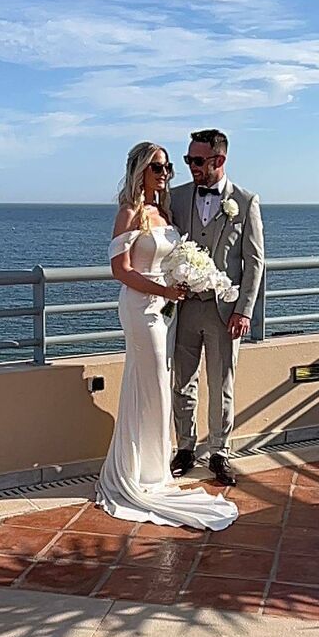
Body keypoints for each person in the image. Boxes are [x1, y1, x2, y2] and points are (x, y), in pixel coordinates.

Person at [95, 142, 237, 530]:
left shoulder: (164, 211)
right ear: (140, 170)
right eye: (158, 167)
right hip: (142, 309)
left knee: (152, 384)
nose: (165, 173)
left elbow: (167, 260)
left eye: (168, 167)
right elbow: (120, 271)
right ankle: (142, 476)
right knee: (155, 383)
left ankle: (151, 469)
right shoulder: (130, 213)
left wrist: (185, 279)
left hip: (164, 309)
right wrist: (164, 291)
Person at [170, 129, 265, 488]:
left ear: (218, 161)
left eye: (197, 160)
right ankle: (184, 447)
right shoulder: (176, 198)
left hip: (225, 311)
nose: (191, 167)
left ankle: (220, 451)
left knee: (221, 383)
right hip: (185, 308)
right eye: (188, 160)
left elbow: (255, 262)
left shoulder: (245, 200)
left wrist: (244, 311)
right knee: (183, 382)